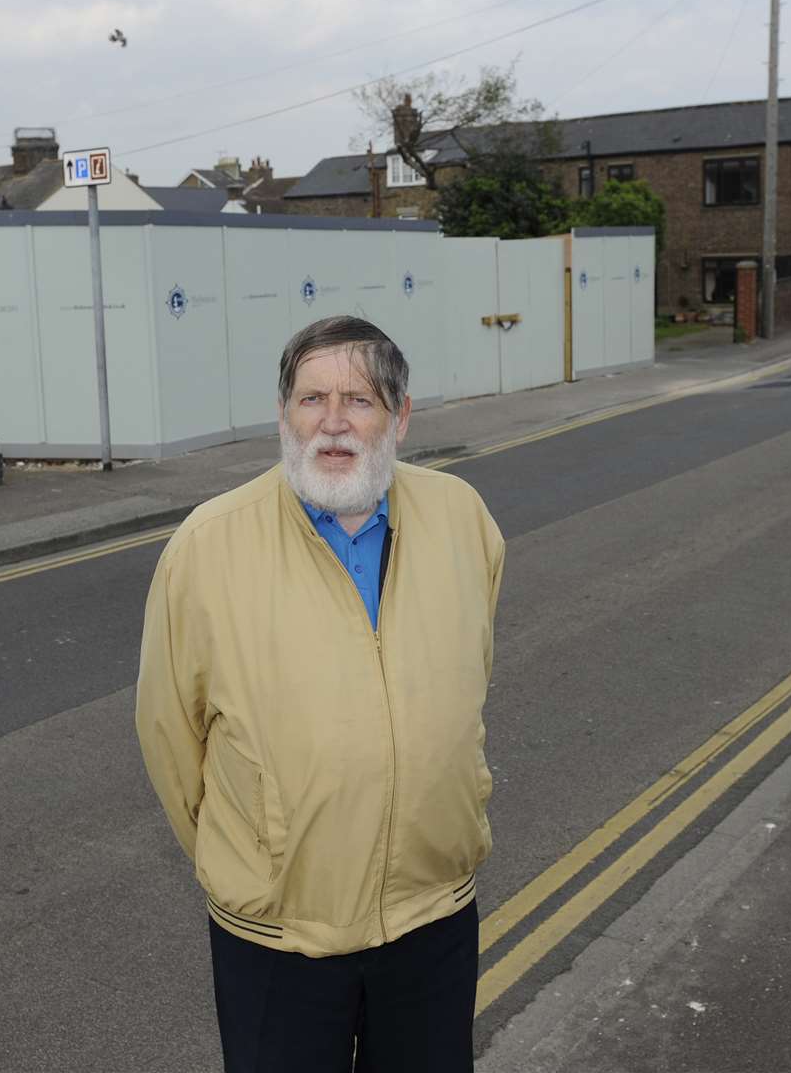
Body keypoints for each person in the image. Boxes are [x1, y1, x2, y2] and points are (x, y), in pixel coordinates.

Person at [135, 315, 505, 1073]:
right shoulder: (207, 546)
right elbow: (170, 735)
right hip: (279, 935)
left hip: (431, 914)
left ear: (400, 419)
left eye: (360, 400)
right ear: (281, 414)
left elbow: (471, 676)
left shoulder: (463, 518)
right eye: (311, 399)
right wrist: (256, 856)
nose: (332, 423)